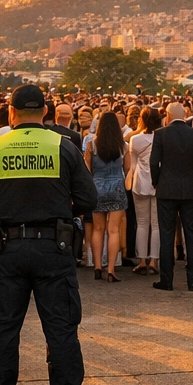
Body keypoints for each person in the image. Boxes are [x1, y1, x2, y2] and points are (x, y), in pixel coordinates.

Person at [0, 84, 101, 385]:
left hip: (7, 250)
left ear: (10, 114)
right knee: (61, 330)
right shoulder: (65, 147)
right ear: (44, 112)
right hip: (53, 249)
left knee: (3, 331)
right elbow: (88, 199)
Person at [149, 101, 193, 292]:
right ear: (184, 115)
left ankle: (166, 279)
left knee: (167, 234)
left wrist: (156, 182)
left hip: (167, 188)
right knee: (191, 234)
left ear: (167, 115)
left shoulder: (160, 134)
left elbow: (154, 163)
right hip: (190, 188)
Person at [84, 110, 130, 282]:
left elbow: (87, 169)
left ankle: (97, 266)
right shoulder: (123, 146)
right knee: (113, 230)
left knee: (98, 229)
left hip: (98, 187)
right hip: (117, 186)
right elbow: (127, 169)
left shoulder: (91, 145)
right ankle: (111, 269)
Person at [126, 106, 161, 275]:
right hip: (159, 183)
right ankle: (154, 260)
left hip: (139, 181)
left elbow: (132, 165)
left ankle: (142, 260)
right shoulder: (163, 137)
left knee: (141, 223)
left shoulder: (136, 139)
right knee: (156, 224)